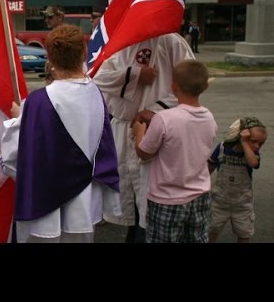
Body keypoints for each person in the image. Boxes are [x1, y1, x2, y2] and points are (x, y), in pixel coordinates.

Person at [0, 24, 121, 243]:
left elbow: (14, 157)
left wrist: (18, 119)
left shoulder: (37, 102)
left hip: (45, 202)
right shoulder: (96, 94)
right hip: (83, 203)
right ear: (84, 53)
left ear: (50, 57)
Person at [92, 32, 195, 243]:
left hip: (160, 127)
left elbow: (191, 82)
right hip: (123, 127)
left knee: (152, 196)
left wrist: (155, 110)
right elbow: (98, 77)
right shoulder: (118, 41)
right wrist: (134, 75)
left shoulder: (172, 42)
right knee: (130, 195)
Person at [131, 60, 217, 243]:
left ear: (173, 86)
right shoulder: (209, 117)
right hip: (200, 196)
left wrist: (139, 132)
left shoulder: (163, 119)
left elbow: (144, 152)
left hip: (166, 200)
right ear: (205, 87)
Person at [208, 117, 267, 243]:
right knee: (211, 230)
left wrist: (245, 143)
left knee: (244, 233)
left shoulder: (252, 154)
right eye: (253, 141)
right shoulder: (222, 148)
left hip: (242, 205)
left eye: (261, 143)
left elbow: (253, 163)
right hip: (219, 202)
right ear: (238, 136)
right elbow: (209, 168)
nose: (257, 146)